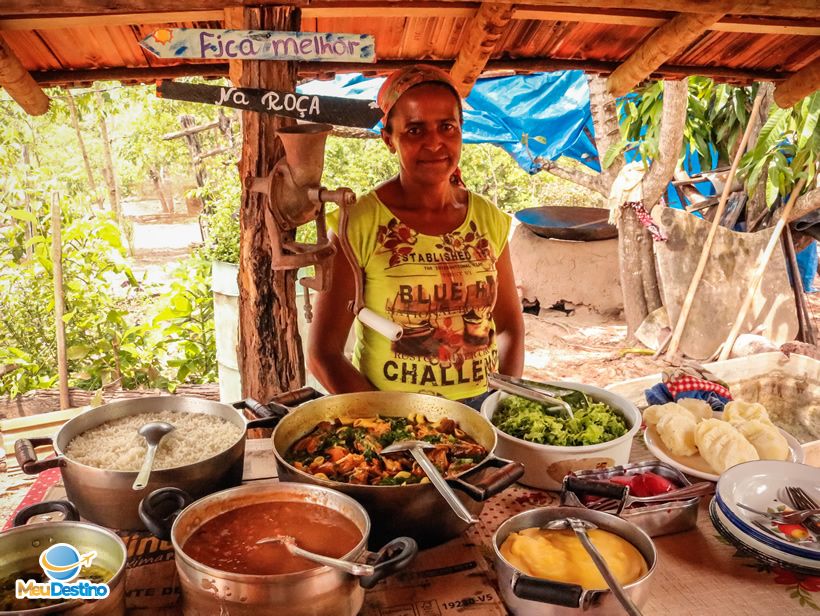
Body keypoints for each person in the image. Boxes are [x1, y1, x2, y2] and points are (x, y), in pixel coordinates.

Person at [307, 65, 524, 409]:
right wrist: (389, 421)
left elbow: (510, 326)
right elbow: (323, 355)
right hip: (393, 414)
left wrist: (503, 402)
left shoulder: (488, 220)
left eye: (447, 127)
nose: (434, 142)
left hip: (484, 409)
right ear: (388, 139)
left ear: (461, 132)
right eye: (415, 129)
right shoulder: (359, 224)